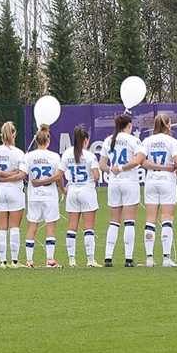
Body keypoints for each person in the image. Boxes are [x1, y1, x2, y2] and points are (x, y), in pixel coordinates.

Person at [141, 115, 177, 267]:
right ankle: (166, 258)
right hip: (167, 180)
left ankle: (149, 258)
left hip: (151, 180)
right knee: (167, 218)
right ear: (168, 125)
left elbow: (142, 162)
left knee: (150, 219)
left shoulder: (147, 141)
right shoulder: (173, 142)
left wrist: (158, 167)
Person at [102, 114, 145, 267]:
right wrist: (121, 168)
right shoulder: (133, 139)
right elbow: (139, 159)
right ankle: (128, 258)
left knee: (114, 221)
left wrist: (112, 170)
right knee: (129, 221)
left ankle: (108, 257)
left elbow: (102, 165)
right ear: (129, 125)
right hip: (129, 181)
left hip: (114, 183)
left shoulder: (108, 140)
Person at [22, 125, 64, 268]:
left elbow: (23, 173)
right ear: (48, 141)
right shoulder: (54, 156)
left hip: (34, 195)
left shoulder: (28, 156)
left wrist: (36, 182)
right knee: (50, 227)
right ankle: (50, 260)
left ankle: (29, 260)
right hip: (49, 195)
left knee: (32, 226)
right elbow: (58, 176)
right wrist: (62, 189)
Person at [62, 125, 101, 267]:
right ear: (85, 140)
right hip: (87, 191)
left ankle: (72, 260)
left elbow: (59, 174)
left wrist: (62, 189)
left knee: (72, 227)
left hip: (72, 190)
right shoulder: (90, 156)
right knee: (89, 227)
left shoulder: (67, 154)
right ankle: (90, 260)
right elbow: (96, 176)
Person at [0, 122, 27, 268]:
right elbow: (22, 174)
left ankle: (2, 261)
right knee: (14, 227)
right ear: (14, 134)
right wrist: (11, 175)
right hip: (14, 191)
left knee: (1, 227)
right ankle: (15, 261)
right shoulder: (18, 153)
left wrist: (2, 176)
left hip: (0, 191)